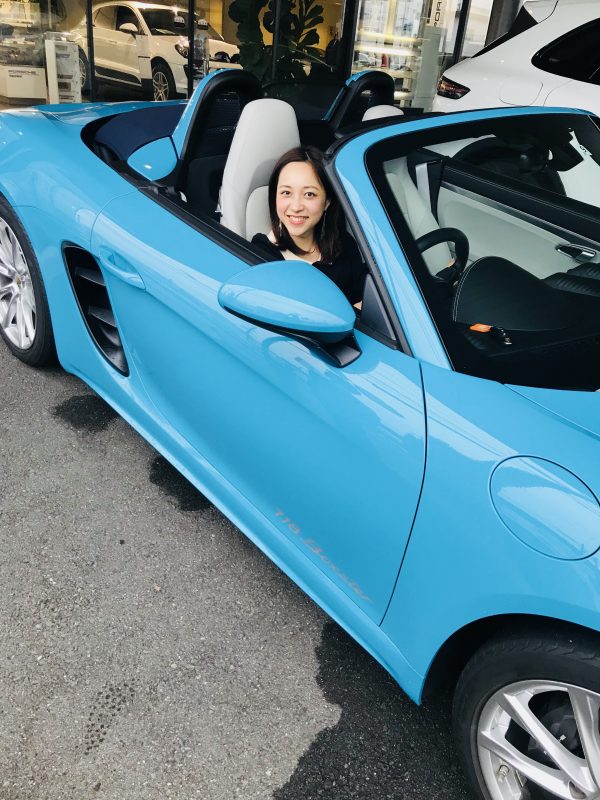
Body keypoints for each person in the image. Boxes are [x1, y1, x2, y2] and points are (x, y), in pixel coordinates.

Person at [252, 146, 367, 306]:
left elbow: (369, 297)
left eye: (309, 194)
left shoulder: (343, 243)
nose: (296, 207)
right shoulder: (261, 255)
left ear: (327, 201)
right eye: (286, 193)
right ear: (274, 197)